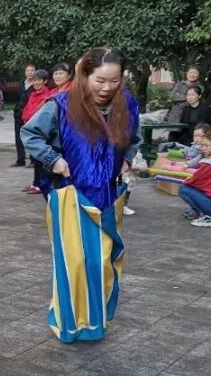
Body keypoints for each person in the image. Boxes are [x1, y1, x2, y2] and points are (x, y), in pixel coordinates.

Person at [20, 47, 142, 343]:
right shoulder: (61, 105)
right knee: (74, 263)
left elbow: (134, 138)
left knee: (102, 262)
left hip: (109, 196)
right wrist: (54, 161)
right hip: (71, 195)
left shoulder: (127, 104)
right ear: (84, 75)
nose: (107, 88)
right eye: (100, 80)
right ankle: (71, 324)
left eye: (114, 81)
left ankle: (96, 322)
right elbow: (30, 134)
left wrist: (127, 160)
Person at [20, 69, 55, 193]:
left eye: (39, 80)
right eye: (34, 80)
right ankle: (36, 183)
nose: (36, 83)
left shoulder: (48, 95)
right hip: (31, 128)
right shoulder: (32, 94)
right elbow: (27, 110)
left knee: (41, 160)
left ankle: (42, 185)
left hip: (41, 130)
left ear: (45, 81)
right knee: (35, 159)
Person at [13, 63, 37, 166]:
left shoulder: (37, 84)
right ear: (25, 72)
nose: (30, 72)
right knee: (19, 137)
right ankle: (20, 159)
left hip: (31, 115)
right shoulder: (21, 83)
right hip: (19, 113)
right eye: (28, 70)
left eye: (32, 70)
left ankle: (33, 160)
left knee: (31, 137)